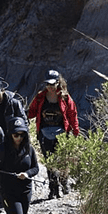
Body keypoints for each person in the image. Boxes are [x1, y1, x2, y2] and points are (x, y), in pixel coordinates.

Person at [27, 69, 79, 199]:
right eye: (48, 84)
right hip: (44, 134)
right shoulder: (40, 97)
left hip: (62, 134)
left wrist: (75, 131)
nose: (50, 87)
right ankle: (53, 189)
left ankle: (64, 183)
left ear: (58, 83)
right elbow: (32, 111)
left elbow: (72, 114)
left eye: (52, 84)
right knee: (49, 162)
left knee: (62, 160)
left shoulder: (65, 97)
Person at [0, 78, 28, 213]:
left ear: (3, 91)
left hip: (12, 142)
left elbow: (24, 122)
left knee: (13, 170)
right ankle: (1, 200)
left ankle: (16, 198)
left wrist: (23, 140)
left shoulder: (14, 103)